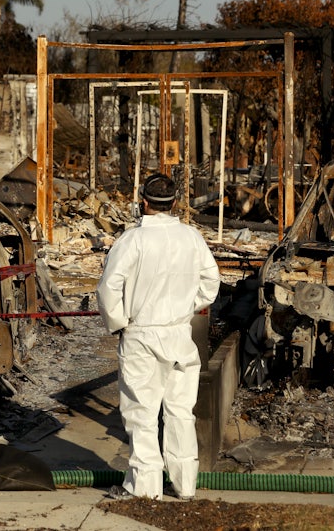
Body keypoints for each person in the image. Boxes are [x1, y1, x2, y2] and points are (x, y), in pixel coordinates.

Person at [96, 173, 220, 501]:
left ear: (143, 201)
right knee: (180, 410)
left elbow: (109, 286)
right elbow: (211, 282)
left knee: (142, 412)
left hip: (141, 333)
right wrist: (186, 309)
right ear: (175, 202)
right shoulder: (191, 238)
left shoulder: (132, 240)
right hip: (179, 333)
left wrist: (120, 321)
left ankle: (145, 487)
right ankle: (185, 484)